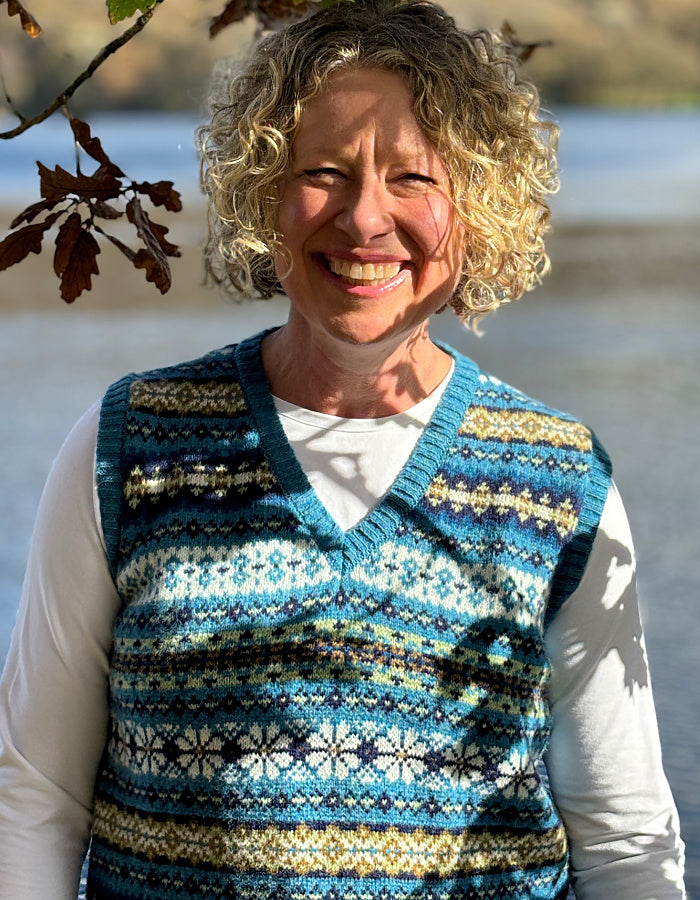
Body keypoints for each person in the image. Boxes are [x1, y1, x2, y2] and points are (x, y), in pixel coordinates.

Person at [0, 0, 687, 898]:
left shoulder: (557, 482)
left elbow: (625, 840)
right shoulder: (130, 448)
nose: (365, 220)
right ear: (261, 194)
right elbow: (36, 800)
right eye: (323, 171)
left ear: (476, 207)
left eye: (413, 178)